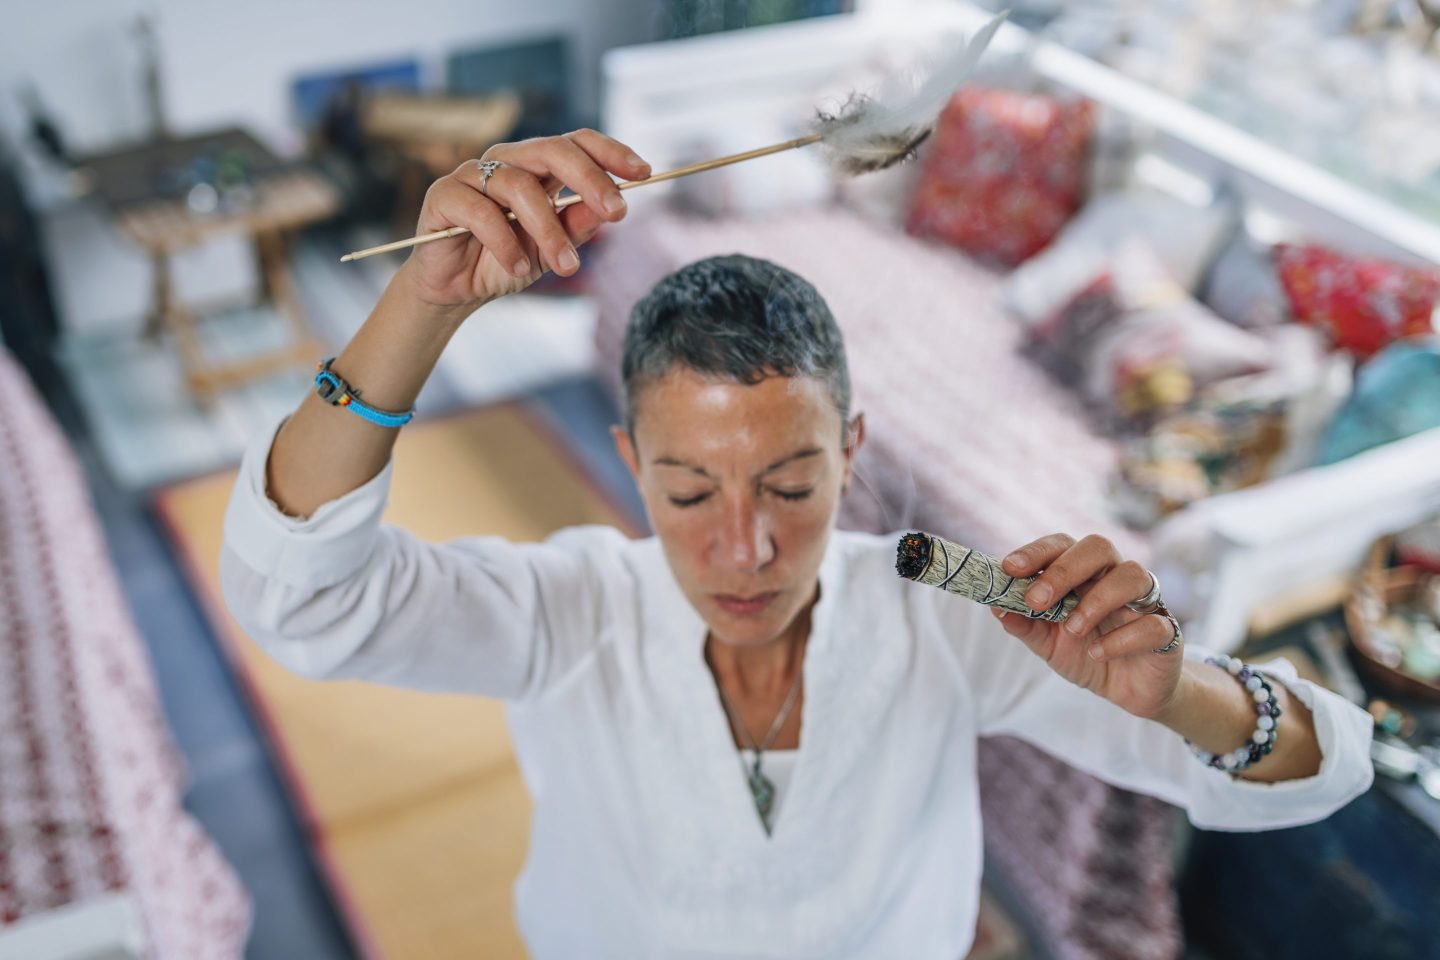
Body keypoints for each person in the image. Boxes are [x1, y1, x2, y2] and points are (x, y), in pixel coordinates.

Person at [220, 129, 1374, 959]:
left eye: (791, 483)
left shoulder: (944, 614)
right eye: (686, 490)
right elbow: (303, 599)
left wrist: (1179, 697)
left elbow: (1324, 763)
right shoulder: (572, 611)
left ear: (852, 450)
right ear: (628, 464)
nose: (745, 550)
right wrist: (422, 304)